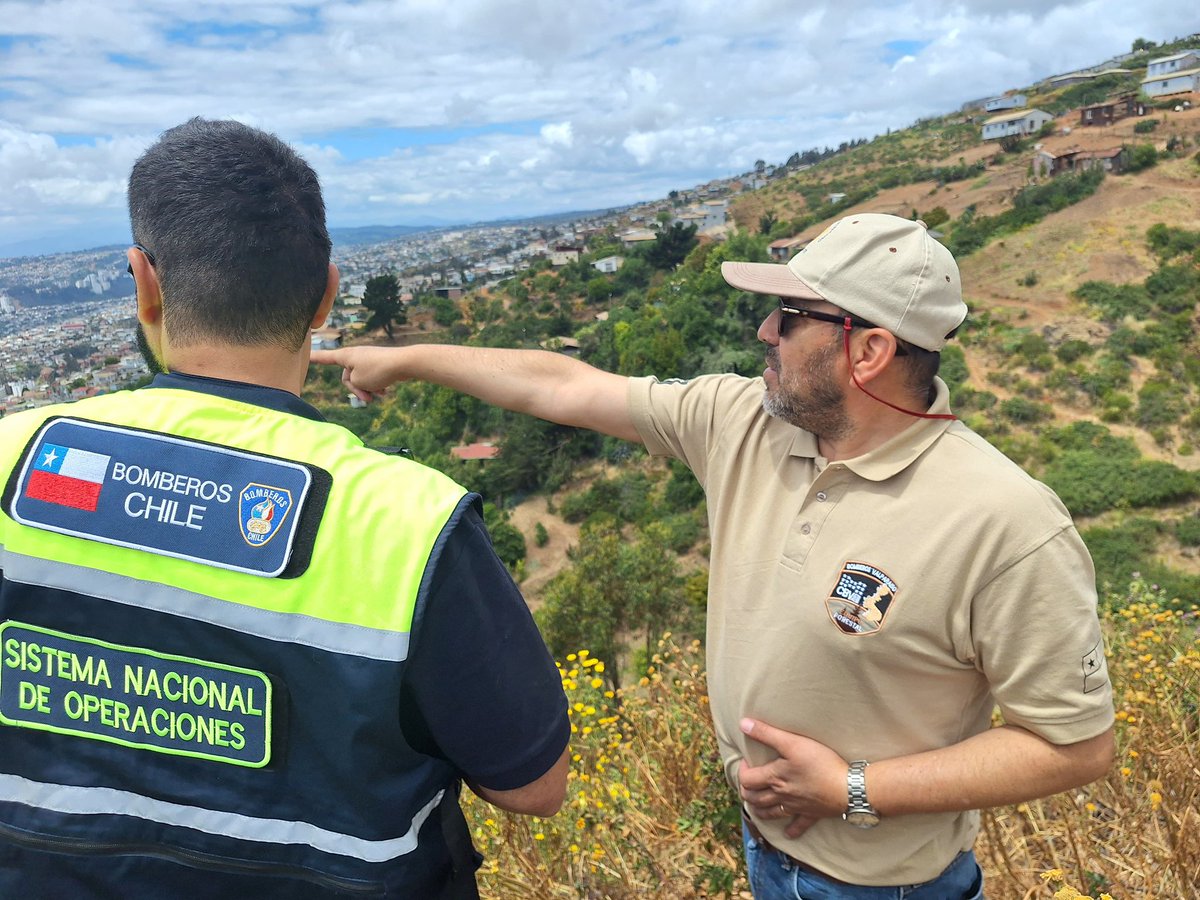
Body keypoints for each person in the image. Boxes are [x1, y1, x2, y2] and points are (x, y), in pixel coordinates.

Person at [314, 213, 1116, 898]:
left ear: (867, 351)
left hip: (888, 886)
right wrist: (410, 358)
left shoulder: (1004, 523)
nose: (764, 332)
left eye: (790, 317)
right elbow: (560, 386)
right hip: (763, 851)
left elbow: (1075, 745)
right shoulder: (741, 422)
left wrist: (853, 790)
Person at [0, 118, 569, 899]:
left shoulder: (11, 457)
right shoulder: (408, 521)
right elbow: (532, 785)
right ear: (327, 294)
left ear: (143, 282)